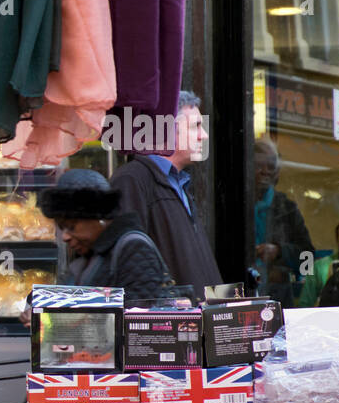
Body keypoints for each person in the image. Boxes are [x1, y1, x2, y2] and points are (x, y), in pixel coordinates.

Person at [110, 91, 223, 298]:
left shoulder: (178, 182)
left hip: (198, 322)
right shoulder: (132, 180)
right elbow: (128, 267)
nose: (203, 135)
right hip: (167, 325)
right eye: (196, 126)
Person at [38, 168, 174, 302]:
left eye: (71, 227)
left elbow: (138, 314)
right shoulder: (89, 256)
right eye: (62, 228)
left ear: (99, 217)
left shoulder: (133, 248)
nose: (65, 237)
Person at [253, 137, 313, 308]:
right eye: (258, 165)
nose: (264, 172)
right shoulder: (235, 206)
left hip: (279, 298)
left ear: (277, 172)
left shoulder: (287, 209)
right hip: (241, 295)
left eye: (270, 167)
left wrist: (279, 251)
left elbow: (307, 258)